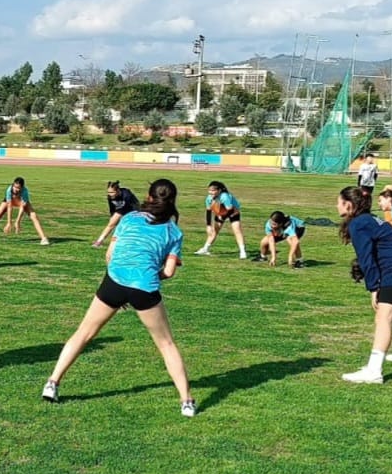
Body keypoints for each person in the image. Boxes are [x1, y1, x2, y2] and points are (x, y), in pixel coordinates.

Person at [42, 179, 195, 417]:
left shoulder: (129, 218)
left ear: (148, 195)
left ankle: (52, 383)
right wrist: (141, 278)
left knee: (83, 333)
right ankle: (186, 402)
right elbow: (168, 272)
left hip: (113, 281)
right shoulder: (174, 232)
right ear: (173, 200)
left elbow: (110, 255)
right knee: (166, 344)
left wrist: (122, 284)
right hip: (144, 287)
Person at [338, 186, 392, 383]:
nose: (336, 206)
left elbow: (366, 258)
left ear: (348, 205)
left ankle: (374, 371)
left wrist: (374, 287)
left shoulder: (359, 223)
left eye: (339, 202)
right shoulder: (370, 219)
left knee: (383, 318)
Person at [0, 177, 49, 245]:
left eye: (18, 188)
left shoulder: (25, 191)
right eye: (15, 187)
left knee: (34, 217)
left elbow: (22, 207)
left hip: (21, 202)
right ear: (13, 185)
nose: (16, 189)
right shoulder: (9, 190)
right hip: (11, 201)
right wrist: (9, 222)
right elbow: (10, 207)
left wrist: (17, 222)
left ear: (22, 187)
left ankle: (43, 239)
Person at [194, 181, 247, 258]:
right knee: (214, 231)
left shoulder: (224, 196)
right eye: (209, 190)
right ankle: (205, 249)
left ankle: (242, 251)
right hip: (220, 212)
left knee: (237, 230)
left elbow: (230, 209)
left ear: (219, 191)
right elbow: (208, 211)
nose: (211, 192)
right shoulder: (209, 198)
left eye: (213, 190)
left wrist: (222, 217)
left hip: (233, 212)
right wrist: (208, 225)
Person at [93, 180, 139, 247]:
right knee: (111, 224)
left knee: (129, 227)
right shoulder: (110, 197)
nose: (110, 194)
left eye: (112, 192)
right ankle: (99, 242)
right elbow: (112, 208)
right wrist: (112, 216)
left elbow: (131, 205)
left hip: (132, 209)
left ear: (118, 190)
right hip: (121, 209)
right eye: (108, 192)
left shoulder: (126, 194)